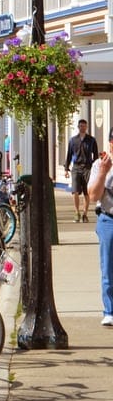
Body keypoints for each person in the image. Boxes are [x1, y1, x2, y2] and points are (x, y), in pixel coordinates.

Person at [86, 129, 113, 325]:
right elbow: (94, 195)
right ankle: (109, 311)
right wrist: (103, 173)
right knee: (108, 268)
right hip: (108, 219)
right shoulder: (99, 164)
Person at [65, 118, 100, 222]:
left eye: (84, 126)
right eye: (81, 126)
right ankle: (77, 212)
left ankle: (85, 213)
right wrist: (66, 168)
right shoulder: (73, 140)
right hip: (76, 167)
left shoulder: (91, 140)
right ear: (78, 127)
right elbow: (69, 155)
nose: (82, 128)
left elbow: (96, 155)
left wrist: (94, 167)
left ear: (87, 127)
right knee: (75, 191)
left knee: (87, 192)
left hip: (87, 168)